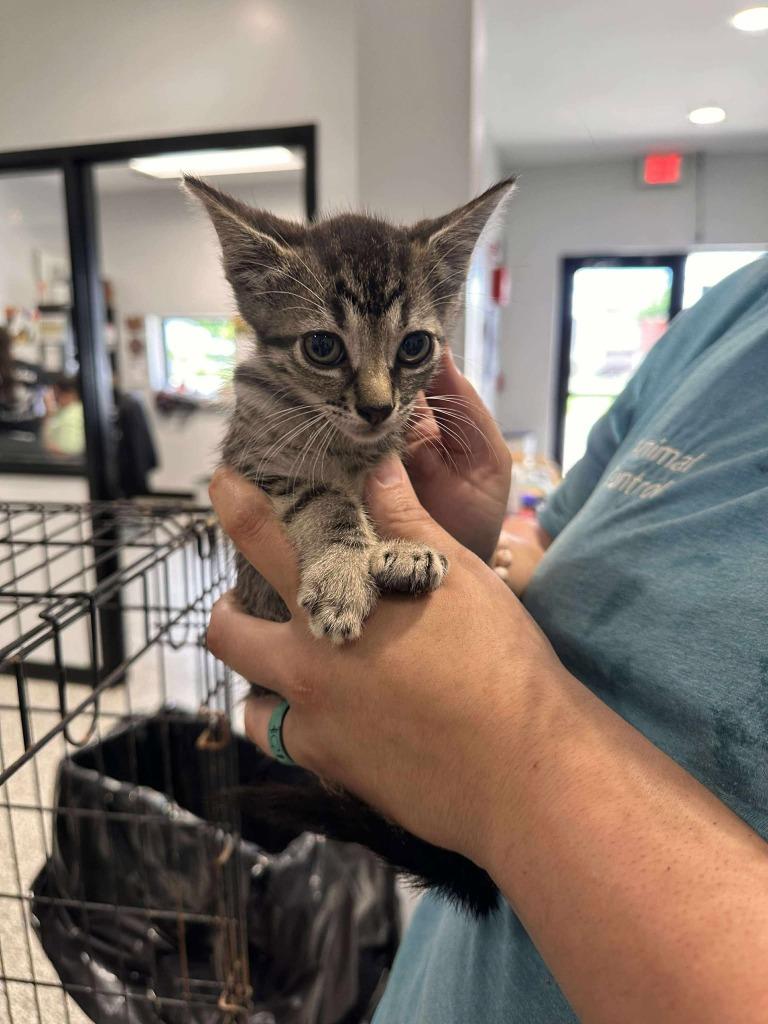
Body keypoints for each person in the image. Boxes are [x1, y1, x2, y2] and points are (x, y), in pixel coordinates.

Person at [205, 259, 768, 1024]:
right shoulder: (733, 308)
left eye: (408, 352)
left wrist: (499, 762)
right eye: (327, 349)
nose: (376, 395)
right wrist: (467, 550)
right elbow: (549, 547)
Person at [42, 374, 85, 457]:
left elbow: (64, 453)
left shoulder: (72, 415)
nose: (54, 398)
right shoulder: (65, 411)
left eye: (56, 393)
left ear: (69, 394)